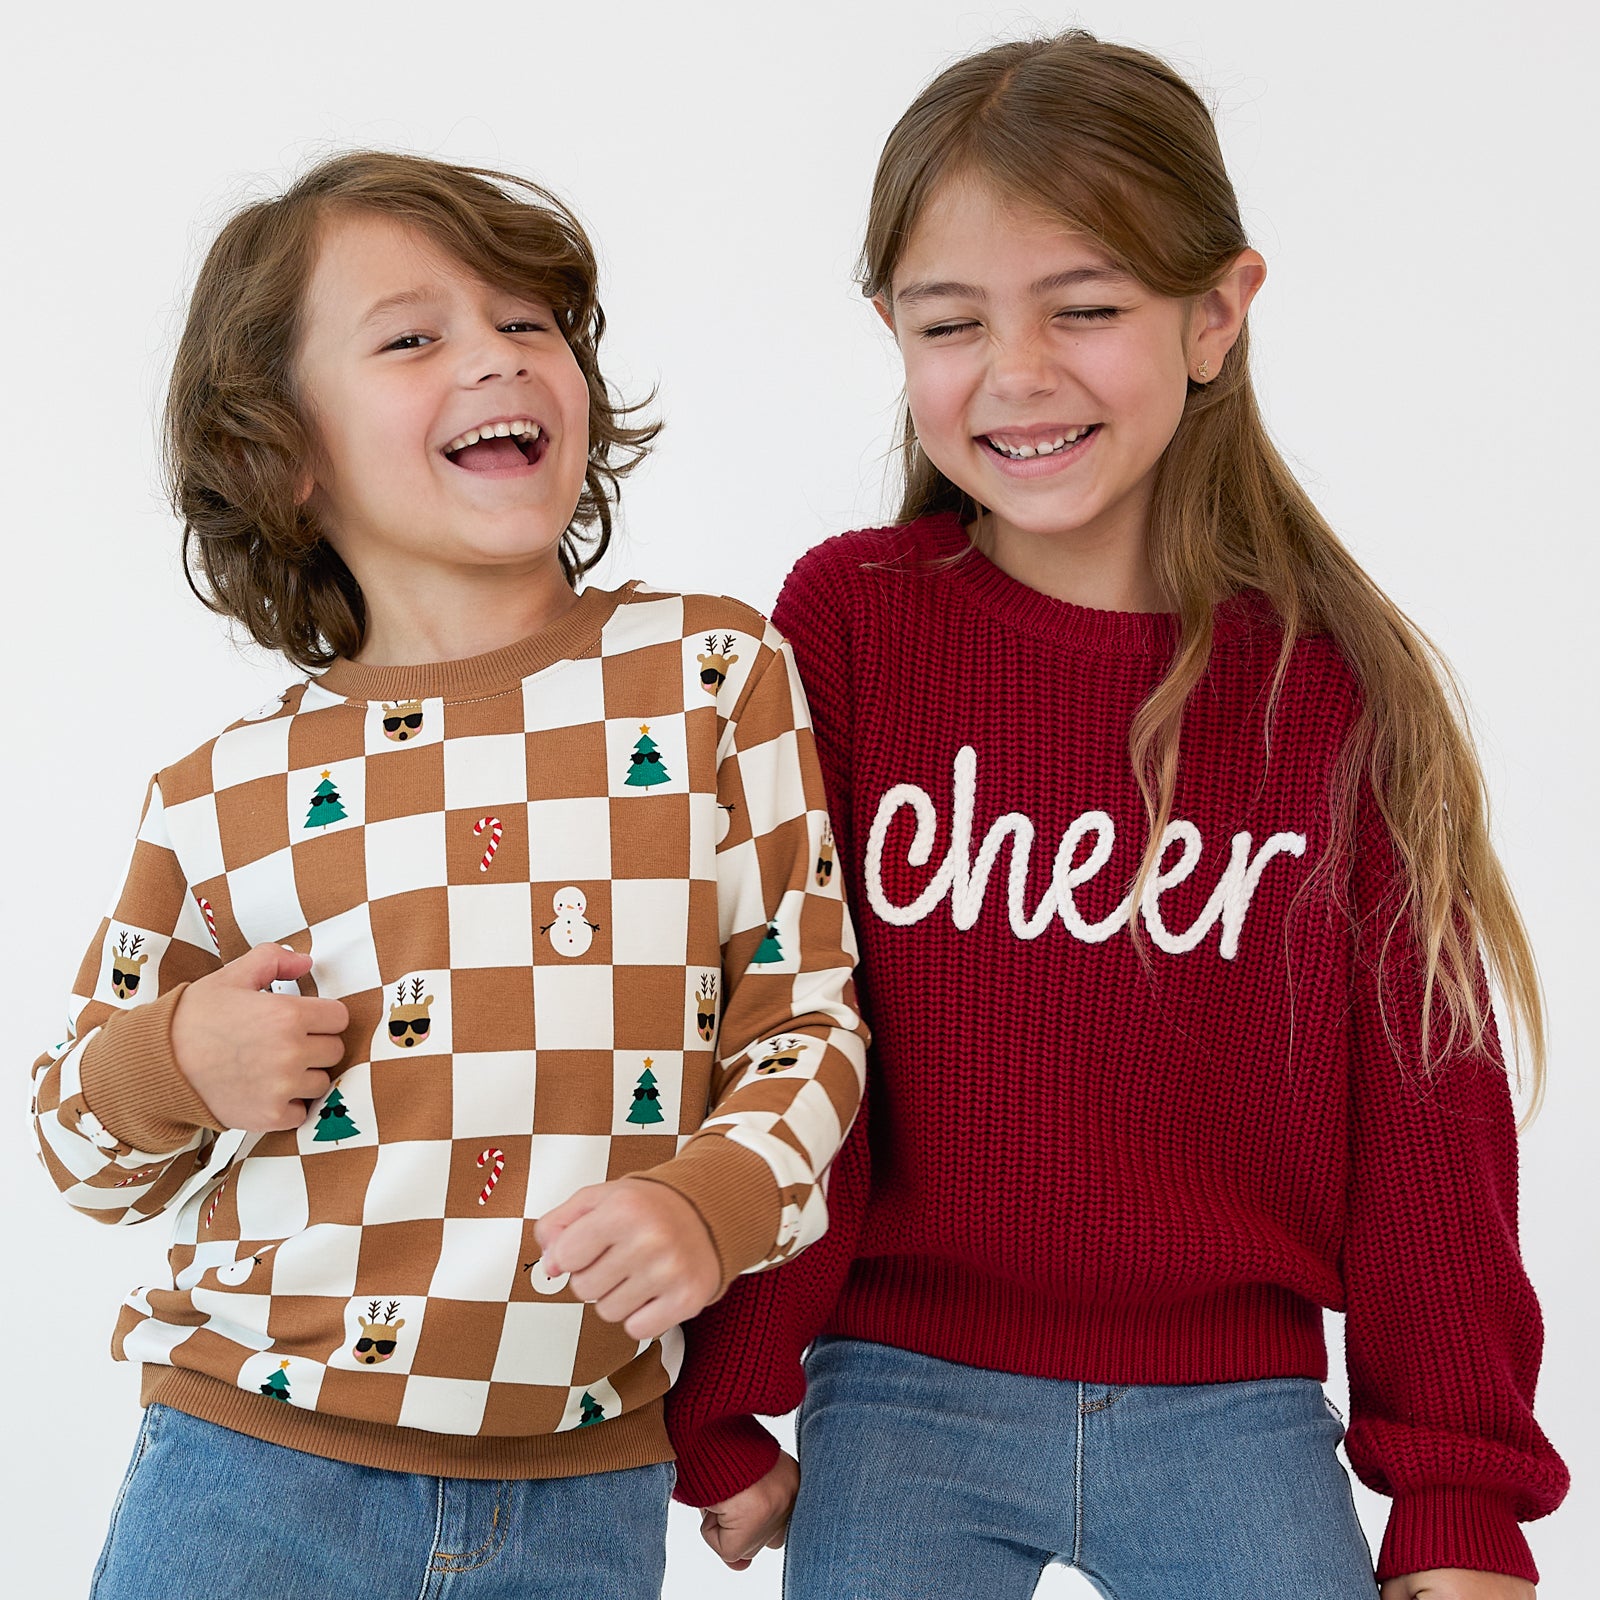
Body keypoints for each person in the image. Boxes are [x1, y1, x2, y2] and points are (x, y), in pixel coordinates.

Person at [664, 31, 1566, 1600]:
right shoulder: (851, 626)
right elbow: (768, 1016)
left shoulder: (1333, 688)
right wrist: (714, 1395)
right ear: (892, 331)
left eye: (1085, 309)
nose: (1017, 373)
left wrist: (1459, 1502)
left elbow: (1431, 1125)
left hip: (1239, 1419)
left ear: (1215, 313)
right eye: (954, 322)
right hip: (900, 1391)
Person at [29, 150, 866, 1600]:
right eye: (415, 337)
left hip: (586, 1493)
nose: (497, 357)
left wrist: (711, 1203)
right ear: (288, 455)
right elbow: (75, 1145)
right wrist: (179, 1056)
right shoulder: (217, 796)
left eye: (529, 325)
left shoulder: (710, 676)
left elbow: (809, 1024)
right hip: (250, 1461)